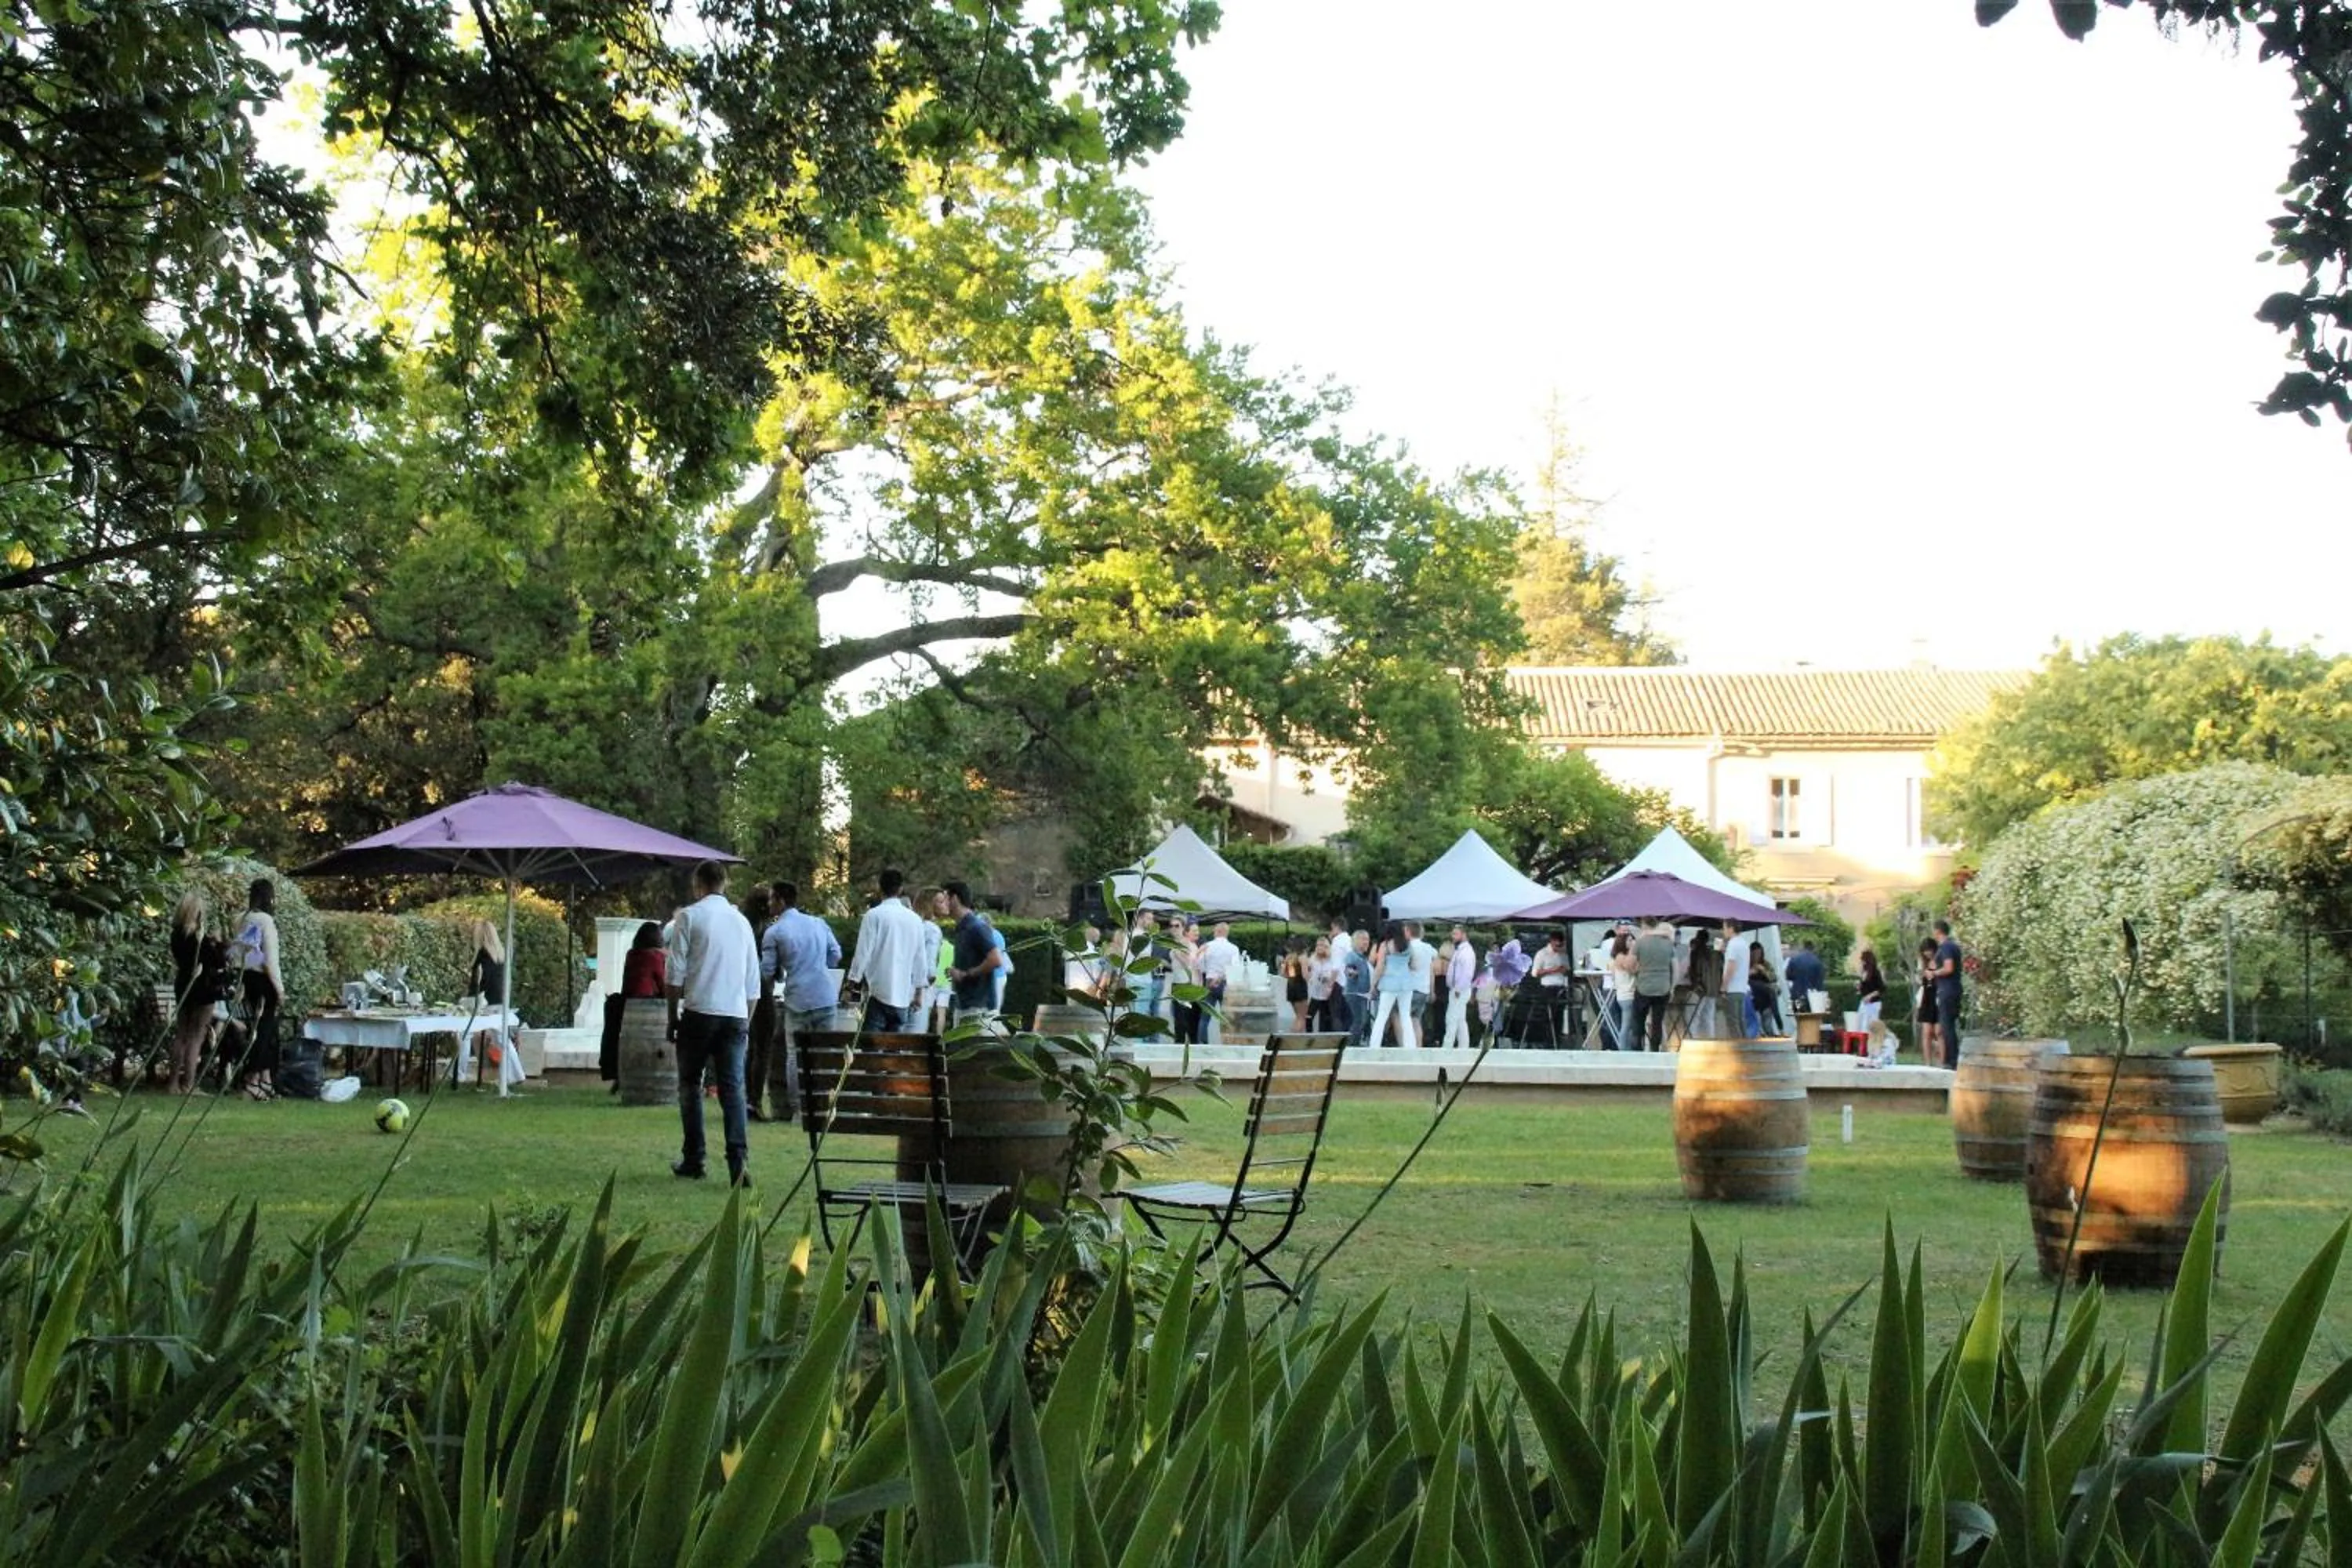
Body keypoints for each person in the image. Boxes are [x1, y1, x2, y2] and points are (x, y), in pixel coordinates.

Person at [666, 860, 760, 1186]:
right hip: (734, 1014)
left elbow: (674, 974)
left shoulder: (689, 917)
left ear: (698, 884)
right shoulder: (742, 923)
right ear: (725, 883)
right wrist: (745, 1021)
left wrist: (671, 1017)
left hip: (700, 1010)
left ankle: (695, 1156)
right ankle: (739, 1162)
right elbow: (753, 982)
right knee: (733, 1089)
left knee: (691, 1085)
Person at [761, 881, 841, 1121]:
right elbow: (836, 954)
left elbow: (766, 971)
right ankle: (825, 1108)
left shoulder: (775, 932)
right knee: (825, 1054)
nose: (769, 904)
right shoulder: (818, 923)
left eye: (771, 899)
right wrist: (819, 966)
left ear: (781, 901)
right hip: (825, 996)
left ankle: (800, 1110)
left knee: (795, 1055)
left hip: (797, 998)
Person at [844, 869, 928, 1031]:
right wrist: (919, 992)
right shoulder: (915, 920)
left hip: (877, 993)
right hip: (903, 996)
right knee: (894, 1053)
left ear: (879, 888)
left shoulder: (873, 915)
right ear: (901, 889)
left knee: (871, 1051)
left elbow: (863, 953)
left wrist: (851, 984)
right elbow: (920, 958)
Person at [166, 891, 229, 1096]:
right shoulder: (199, 939)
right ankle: (189, 1083)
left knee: (181, 1033)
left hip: (183, 982)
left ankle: (173, 1082)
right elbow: (218, 962)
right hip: (203, 986)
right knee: (197, 1035)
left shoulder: (177, 935)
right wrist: (219, 944)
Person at [459, 917, 524, 1094]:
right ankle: (516, 1074)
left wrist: (467, 1000)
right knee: (503, 1040)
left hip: (485, 1004)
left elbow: (478, 986)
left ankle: (460, 1073)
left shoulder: (481, 958)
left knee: (463, 1034)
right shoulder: (500, 957)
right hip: (500, 1003)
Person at [233, 877, 283, 1101]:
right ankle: (252, 1078)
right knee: (265, 1030)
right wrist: (279, 989)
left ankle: (265, 1078)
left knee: (263, 1029)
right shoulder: (266, 921)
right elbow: (270, 959)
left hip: (245, 977)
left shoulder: (240, 919)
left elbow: (236, 951)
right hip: (263, 979)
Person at [602, 920, 666, 1090]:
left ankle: (617, 1075)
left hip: (626, 1003)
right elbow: (662, 982)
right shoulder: (655, 957)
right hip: (646, 1003)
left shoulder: (632, 954)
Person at [944, 881, 1006, 1030]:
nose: (943, 903)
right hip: (965, 1005)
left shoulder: (976, 927)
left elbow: (996, 959)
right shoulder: (961, 928)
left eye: (946, 898)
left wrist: (966, 974)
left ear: (955, 899)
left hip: (978, 1008)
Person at [1367, 921, 1418, 1048]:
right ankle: (1410, 1047)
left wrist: (1373, 984)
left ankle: (1374, 1046)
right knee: (1406, 1016)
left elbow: (1380, 967)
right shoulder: (1408, 945)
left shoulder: (1386, 945)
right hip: (1406, 984)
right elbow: (1414, 965)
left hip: (1389, 984)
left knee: (1382, 1016)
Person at [1630, 917, 1676, 1051]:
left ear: (1644, 925)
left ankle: (1638, 1050)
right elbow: (1676, 968)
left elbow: (1631, 965)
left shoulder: (1640, 943)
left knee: (1639, 1021)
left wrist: (1637, 971)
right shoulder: (1668, 944)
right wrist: (1672, 987)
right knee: (1657, 1022)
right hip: (1663, 988)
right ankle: (1655, 1051)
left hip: (1644, 987)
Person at [1198, 920, 1243, 1032]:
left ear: (1217, 931)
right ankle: (1227, 1041)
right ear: (1226, 932)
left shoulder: (1207, 946)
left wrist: (1207, 971)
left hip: (1209, 981)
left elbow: (1200, 964)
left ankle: (1202, 1044)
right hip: (1225, 984)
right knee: (1227, 1016)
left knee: (1205, 1017)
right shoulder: (1234, 948)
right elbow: (1235, 969)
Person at [1932, 919, 1965, 1061]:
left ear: (1938, 931)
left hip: (1948, 990)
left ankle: (1952, 1060)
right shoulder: (1953, 946)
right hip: (1953, 989)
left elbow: (1948, 968)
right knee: (1948, 1025)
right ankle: (1952, 1058)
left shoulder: (1946, 947)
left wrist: (1933, 973)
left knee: (1947, 1026)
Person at [1439, 925, 1476, 1051]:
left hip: (1459, 990)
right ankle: (1463, 1047)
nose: (1453, 936)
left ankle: (1447, 1047)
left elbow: (1467, 974)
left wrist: (1458, 989)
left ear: (1464, 935)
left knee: (1451, 1018)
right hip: (1457, 989)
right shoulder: (1461, 950)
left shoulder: (1466, 952)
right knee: (1460, 1020)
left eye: (1456, 934)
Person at [1719, 921, 1754, 1039]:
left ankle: (1738, 1050)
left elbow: (1731, 966)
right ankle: (1746, 1048)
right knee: (1741, 1021)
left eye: (1724, 928)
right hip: (1742, 988)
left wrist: (1724, 987)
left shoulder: (1732, 944)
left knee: (1732, 1022)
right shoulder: (1744, 944)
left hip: (1732, 988)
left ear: (1731, 928)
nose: (1723, 931)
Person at [1685, 927, 1721, 1039]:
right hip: (1713, 990)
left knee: (1692, 1017)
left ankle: (1693, 1040)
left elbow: (1695, 971)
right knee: (1709, 1018)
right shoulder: (1716, 954)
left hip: (1700, 989)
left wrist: (1695, 983)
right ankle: (1711, 1042)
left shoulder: (1696, 953)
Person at [1404, 922, 1436, 1041]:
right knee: (1416, 1019)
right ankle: (1418, 1047)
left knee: (1404, 1019)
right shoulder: (1428, 948)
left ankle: (1408, 1046)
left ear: (1408, 931)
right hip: (1424, 989)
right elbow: (1432, 969)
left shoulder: (1407, 947)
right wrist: (1432, 991)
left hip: (1410, 988)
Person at [1342, 930, 1374, 1047]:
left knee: (1361, 1021)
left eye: (1368, 939)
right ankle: (1351, 1046)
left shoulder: (1362, 958)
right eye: (1363, 939)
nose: (1367, 942)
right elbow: (1349, 970)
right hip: (1354, 993)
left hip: (1361, 994)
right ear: (1355, 941)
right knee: (1358, 1021)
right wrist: (1352, 973)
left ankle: (1353, 1044)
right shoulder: (1352, 956)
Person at [1748, 941, 1785, 1036]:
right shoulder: (1746, 964)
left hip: (1767, 999)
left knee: (1768, 1026)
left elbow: (1774, 978)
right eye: (1755, 954)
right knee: (1757, 1027)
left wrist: (1763, 971)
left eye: (1759, 954)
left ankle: (1777, 1033)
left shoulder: (1766, 964)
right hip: (1753, 1000)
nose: (1757, 956)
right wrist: (1750, 972)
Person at [1916, 936, 1944, 1067]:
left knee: (1939, 1032)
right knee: (1926, 1032)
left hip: (1938, 998)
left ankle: (1942, 1061)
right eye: (1925, 951)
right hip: (1927, 998)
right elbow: (1922, 982)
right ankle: (1927, 1063)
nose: (1927, 953)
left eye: (1929, 950)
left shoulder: (1940, 963)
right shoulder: (1923, 964)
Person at [1785, 939, 1828, 1014]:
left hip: (1796, 994)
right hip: (1812, 998)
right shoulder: (1817, 962)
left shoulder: (1794, 960)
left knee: (1798, 1019)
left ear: (1803, 947)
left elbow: (1788, 976)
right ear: (1813, 949)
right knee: (1810, 1019)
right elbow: (1820, 982)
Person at [1281, 936, 1312, 1032]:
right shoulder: (1302, 957)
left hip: (1291, 987)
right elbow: (1305, 975)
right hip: (1300, 987)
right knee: (1302, 1018)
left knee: (1298, 1017)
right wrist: (1311, 973)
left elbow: (1284, 974)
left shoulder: (1289, 957)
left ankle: (1293, 1035)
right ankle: (1295, 1038)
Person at [1857, 947, 1887, 1039]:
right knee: (1861, 1024)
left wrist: (1870, 996)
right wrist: (1859, 987)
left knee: (1871, 1026)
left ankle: (1871, 1046)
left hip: (1874, 1004)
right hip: (1864, 1003)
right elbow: (1864, 988)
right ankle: (1863, 1047)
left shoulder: (1875, 973)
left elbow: (1882, 988)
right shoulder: (1863, 973)